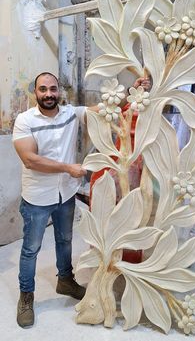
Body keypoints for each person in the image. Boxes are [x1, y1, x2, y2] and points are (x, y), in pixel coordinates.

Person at [13, 72, 150, 328]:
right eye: (43, 89)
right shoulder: (24, 120)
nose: (49, 94)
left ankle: (65, 280)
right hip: (38, 197)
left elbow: (107, 106)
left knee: (65, 240)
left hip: (65, 194)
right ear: (36, 92)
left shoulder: (70, 113)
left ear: (59, 91)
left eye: (53, 89)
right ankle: (26, 296)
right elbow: (30, 159)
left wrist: (133, 89)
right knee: (31, 249)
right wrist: (67, 168)